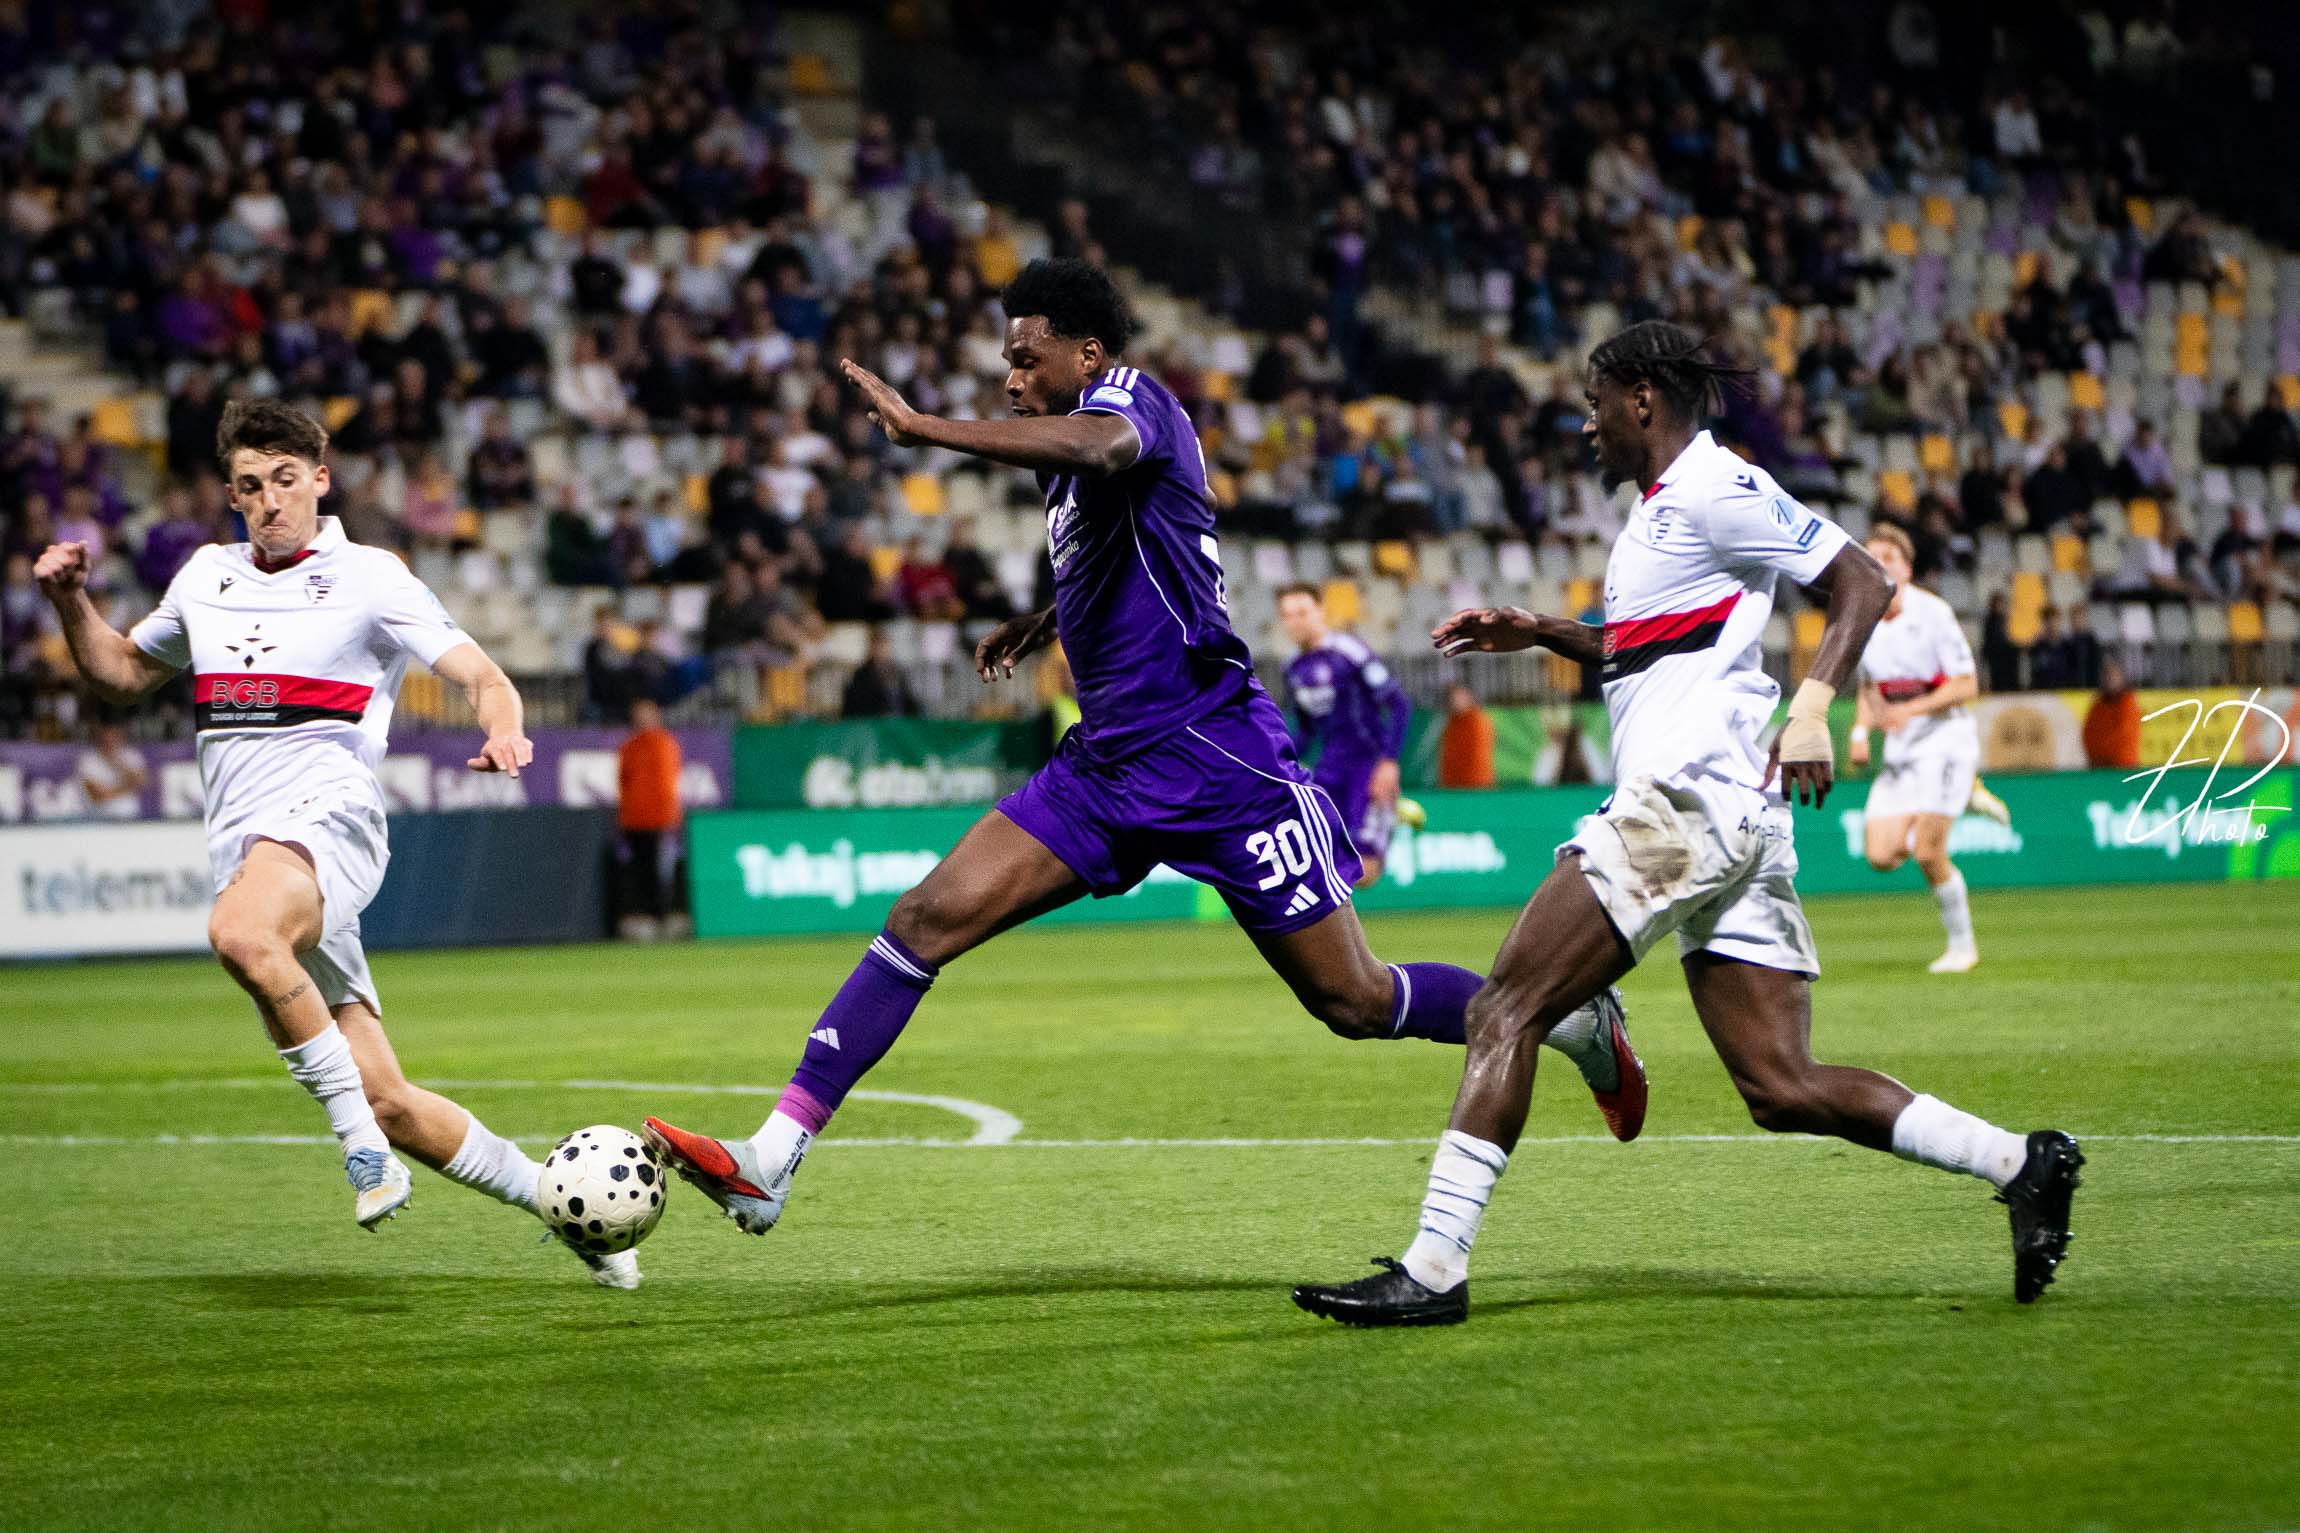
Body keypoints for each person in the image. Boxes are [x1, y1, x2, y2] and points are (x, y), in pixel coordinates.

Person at [643, 260, 1649, 1233]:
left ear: (1087, 353)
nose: (1011, 378)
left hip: (1217, 760)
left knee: (1352, 998)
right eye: (1006, 361)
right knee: (923, 917)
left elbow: (1105, 451)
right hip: (1105, 770)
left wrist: (923, 428)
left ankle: (1567, 1020)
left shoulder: (1133, 399)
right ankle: (771, 1160)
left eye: (1027, 358)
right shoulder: (1071, 460)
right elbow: (1140, 546)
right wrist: (1045, 621)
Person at [1291, 324, 2081, 1327]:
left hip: (1685, 807)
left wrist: (1811, 709)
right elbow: (1643, 648)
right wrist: (1540, 632)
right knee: (1780, 1085)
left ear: (1641, 400)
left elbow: (1863, 582)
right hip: (1731, 817)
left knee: (1506, 1008)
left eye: (1595, 403)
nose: (1586, 425)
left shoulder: (1716, 484)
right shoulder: (1659, 514)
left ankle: (1434, 1267)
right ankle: (2018, 1162)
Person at [33, 400, 640, 1290]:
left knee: (241, 935)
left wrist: (505, 728)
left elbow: (482, 675)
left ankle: (360, 1152)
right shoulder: (205, 577)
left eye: (286, 479)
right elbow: (122, 672)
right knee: (392, 1100)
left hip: (333, 821)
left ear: (320, 479)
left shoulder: (370, 577)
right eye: (250, 485)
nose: (270, 500)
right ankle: (567, 1209)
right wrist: (69, 599)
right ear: (232, 496)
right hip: (255, 854)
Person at [1847, 525, 1987, 973]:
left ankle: (1962, 948)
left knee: (1927, 850)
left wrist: (1912, 709)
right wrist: (1860, 731)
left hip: (1945, 740)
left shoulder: (1934, 614)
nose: (1879, 564)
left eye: (1888, 557)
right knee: (1880, 855)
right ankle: (1962, 793)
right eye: (1871, 557)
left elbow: (1967, 685)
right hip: (1901, 750)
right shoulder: (1862, 619)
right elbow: (1871, 689)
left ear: (1906, 569)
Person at [1277, 582, 1423, 886]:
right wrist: (1280, 765)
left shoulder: (1349, 652)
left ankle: (1390, 813)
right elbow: (1305, 730)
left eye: (1302, 612)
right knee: (1320, 865)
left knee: (1364, 873)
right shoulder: (1292, 667)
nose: (1295, 621)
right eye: (1288, 615)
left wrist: (1389, 762)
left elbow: (1398, 705)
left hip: (1367, 766)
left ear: (1320, 611)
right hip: (1329, 768)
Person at [617, 699, 685, 940]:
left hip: (659, 819)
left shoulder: (664, 744)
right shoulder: (629, 747)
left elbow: (666, 784)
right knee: (640, 870)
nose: (642, 720)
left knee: (660, 870)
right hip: (634, 819)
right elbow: (624, 782)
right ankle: (645, 917)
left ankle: (663, 917)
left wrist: (669, 815)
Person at [75, 720, 148, 820]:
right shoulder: (88, 760)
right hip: (100, 818)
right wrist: (129, 786)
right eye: (107, 735)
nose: (110, 739)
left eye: (115, 735)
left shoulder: (131, 755)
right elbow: (98, 796)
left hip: (130, 817)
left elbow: (143, 781)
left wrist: (117, 763)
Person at [2083, 659, 2141, 768]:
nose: (2109, 679)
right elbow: (2089, 732)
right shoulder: (2098, 705)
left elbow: (2123, 734)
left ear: (2121, 678)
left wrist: (2102, 751)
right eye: (2106, 676)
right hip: (2099, 764)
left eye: (2113, 676)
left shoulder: (2128, 703)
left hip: (2123, 765)